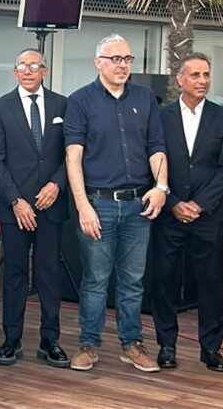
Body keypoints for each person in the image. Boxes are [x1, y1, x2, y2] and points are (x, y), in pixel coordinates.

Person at [64, 34, 167, 373]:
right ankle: (88, 344)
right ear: (99, 62)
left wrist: (161, 187)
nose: (123, 65)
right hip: (99, 204)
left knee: (133, 280)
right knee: (95, 279)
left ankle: (131, 344)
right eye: (115, 59)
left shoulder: (145, 98)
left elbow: (156, 146)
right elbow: (73, 157)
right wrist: (83, 206)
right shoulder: (80, 101)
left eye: (127, 59)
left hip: (139, 205)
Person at [152, 53, 223, 372]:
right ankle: (166, 345)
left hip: (210, 215)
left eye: (206, 74)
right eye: (195, 75)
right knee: (165, 280)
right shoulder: (160, 117)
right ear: (180, 79)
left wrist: (200, 205)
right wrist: (174, 201)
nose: (202, 81)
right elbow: (153, 161)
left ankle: (211, 348)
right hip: (169, 213)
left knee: (211, 282)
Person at [0, 49, 69, 367]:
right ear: (15, 71)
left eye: (35, 65)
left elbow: (71, 153)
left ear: (44, 70)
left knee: (49, 274)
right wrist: (15, 200)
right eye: (22, 65)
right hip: (14, 209)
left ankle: (50, 340)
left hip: (51, 204)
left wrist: (56, 185)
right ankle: (12, 339)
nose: (28, 70)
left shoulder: (63, 105)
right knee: (15, 274)